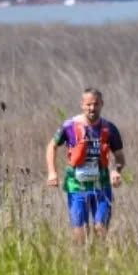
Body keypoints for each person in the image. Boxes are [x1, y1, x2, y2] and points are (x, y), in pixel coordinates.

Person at [46, 88, 126, 242]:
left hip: (101, 187)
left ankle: (100, 263)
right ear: (82, 105)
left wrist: (117, 170)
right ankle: (81, 263)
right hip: (76, 187)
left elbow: (120, 156)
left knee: (101, 230)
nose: (92, 108)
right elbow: (52, 146)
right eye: (88, 104)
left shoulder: (109, 128)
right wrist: (52, 172)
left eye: (96, 104)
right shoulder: (69, 126)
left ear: (102, 104)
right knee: (80, 234)